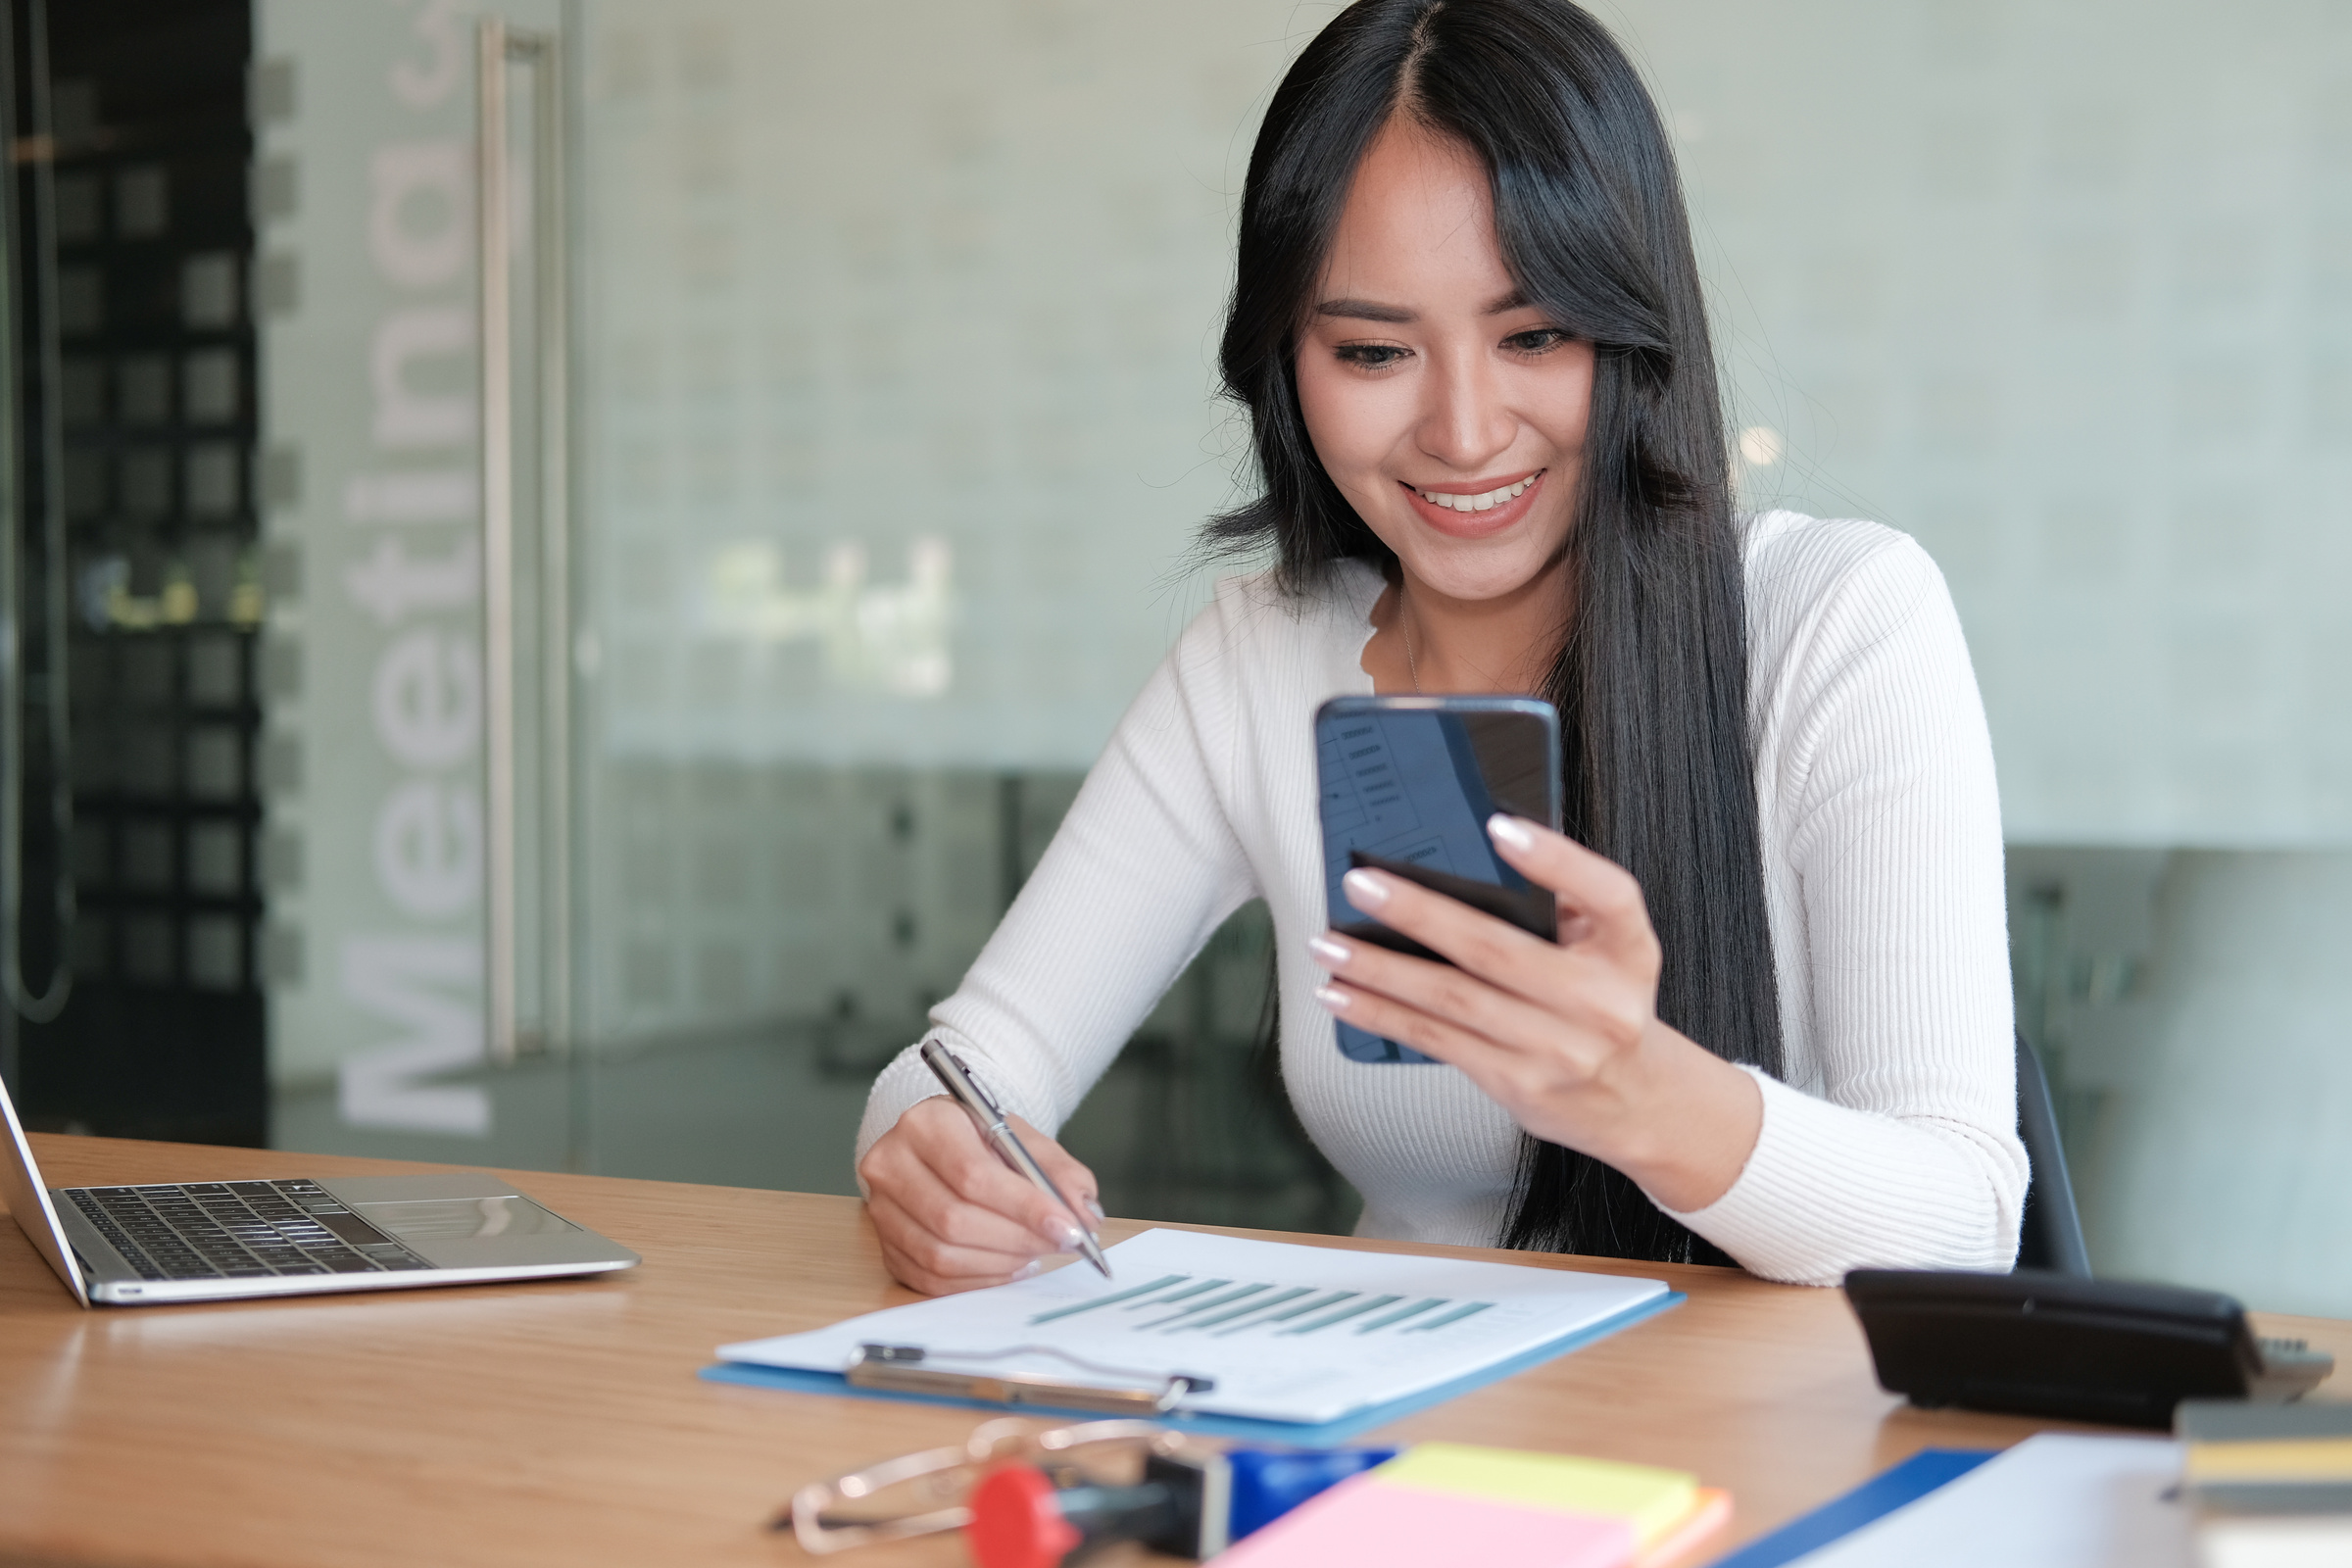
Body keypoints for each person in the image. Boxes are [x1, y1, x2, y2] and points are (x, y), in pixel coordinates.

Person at [854, 0, 2025, 1295]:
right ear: (1284, 367)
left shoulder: (1839, 623)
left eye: (1534, 336)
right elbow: (966, 1065)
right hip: (1396, 1431)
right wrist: (934, 1157)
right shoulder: (1258, 661)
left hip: (1758, 1462)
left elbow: (1963, 1219)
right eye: (1373, 350)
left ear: (1636, 335)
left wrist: (1644, 1098)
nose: (1463, 433)